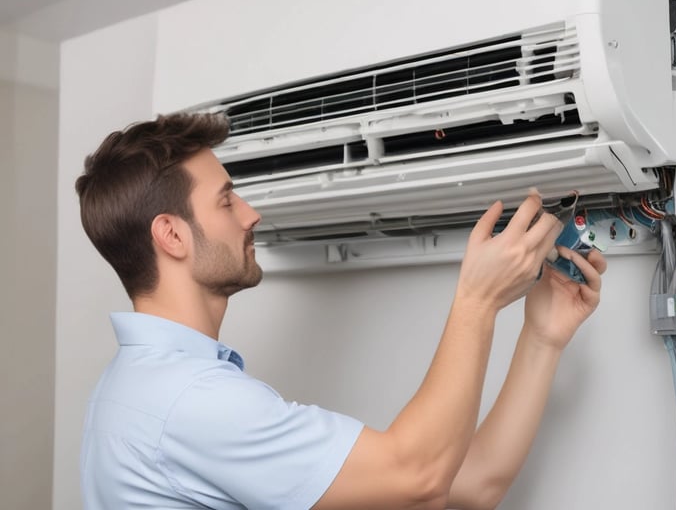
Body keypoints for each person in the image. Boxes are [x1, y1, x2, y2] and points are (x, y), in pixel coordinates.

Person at [76, 112, 606, 510]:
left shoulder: (137, 385)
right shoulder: (192, 402)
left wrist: (542, 337)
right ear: (171, 235)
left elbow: (466, 485)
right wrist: (478, 299)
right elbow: (420, 478)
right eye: (226, 200)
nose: (251, 214)